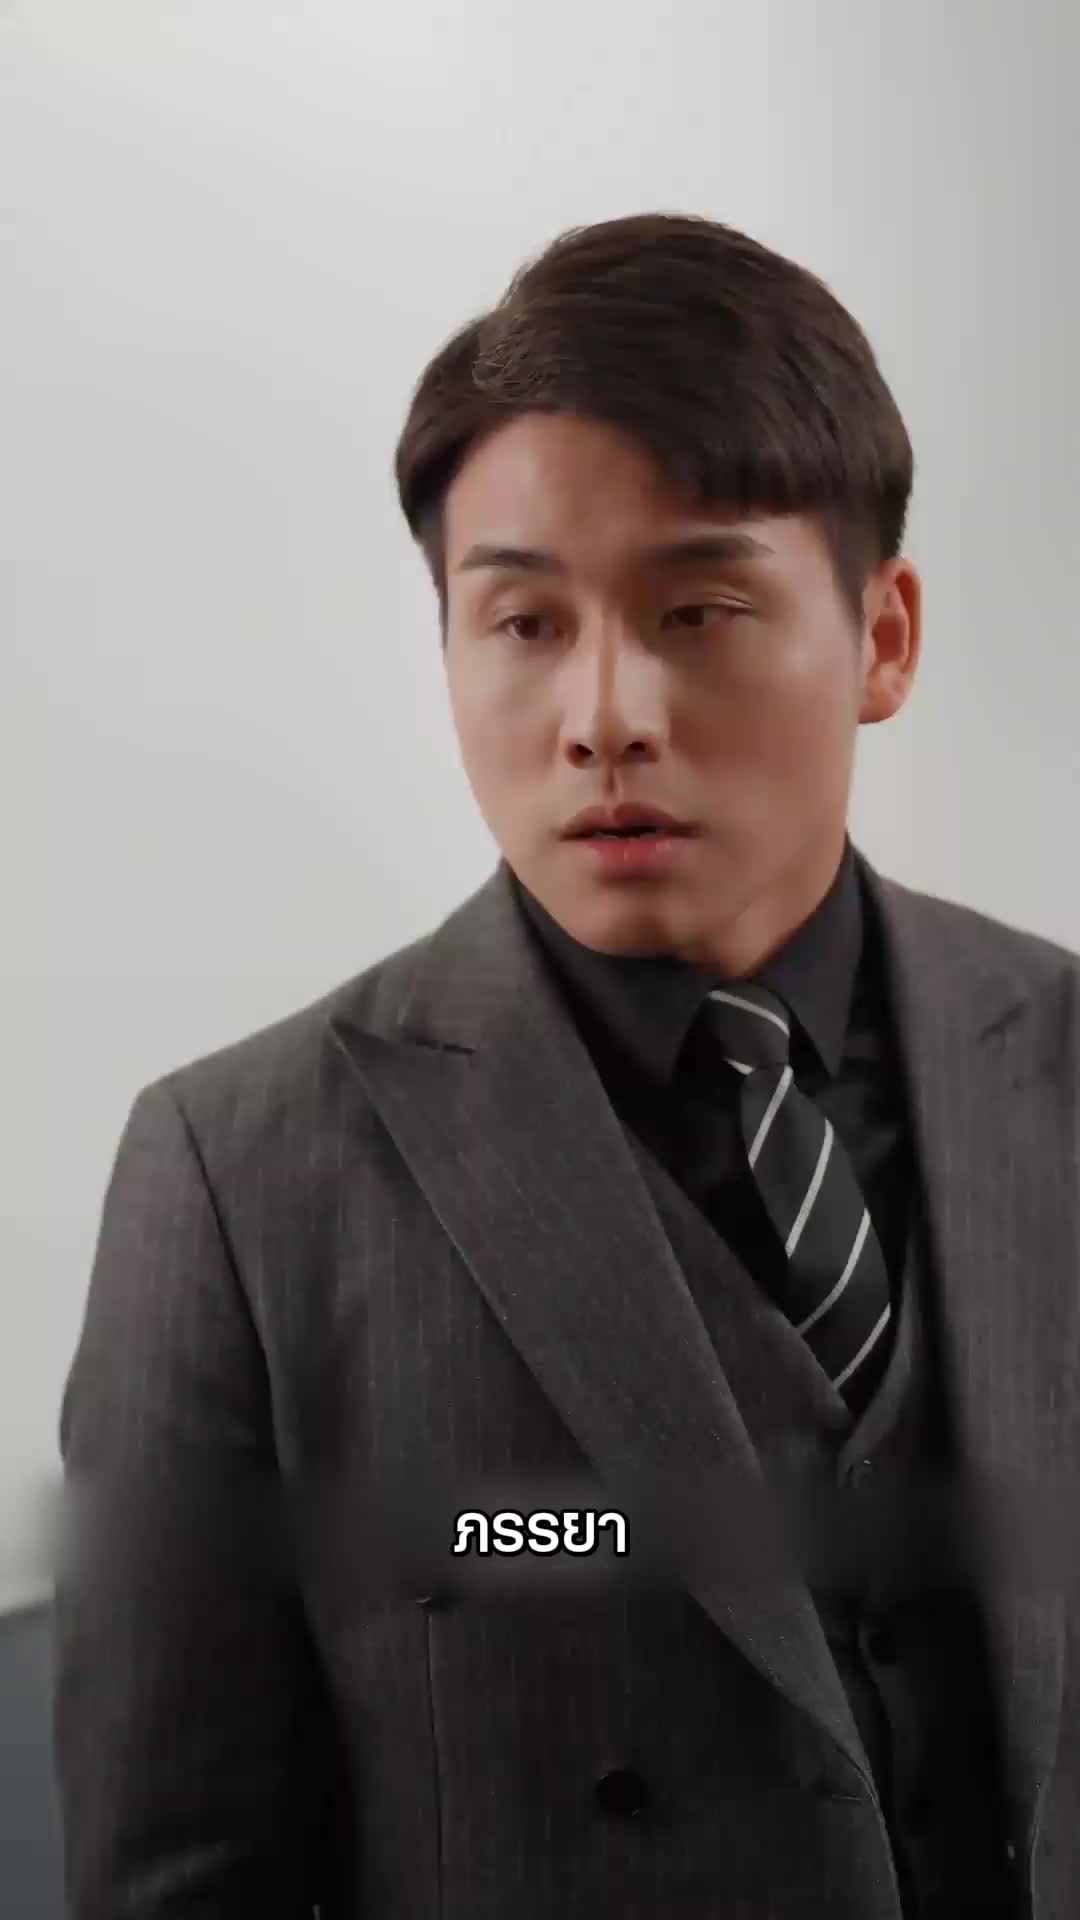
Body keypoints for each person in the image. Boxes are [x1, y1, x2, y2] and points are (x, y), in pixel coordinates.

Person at [54, 211, 1079, 1920]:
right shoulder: (239, 1179)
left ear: (885, 637)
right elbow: (181, 1876)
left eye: (700, 608)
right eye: (525, 624)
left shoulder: (1059, 1055)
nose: (605, 714)